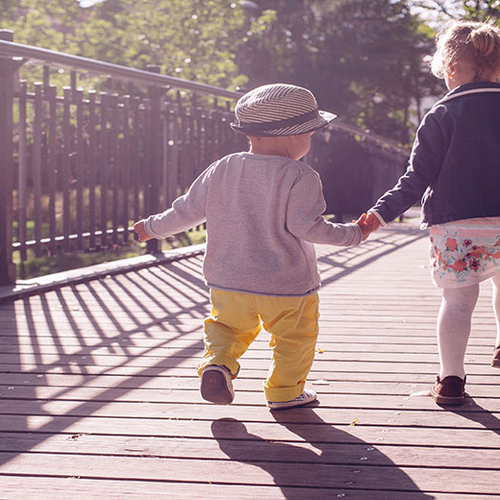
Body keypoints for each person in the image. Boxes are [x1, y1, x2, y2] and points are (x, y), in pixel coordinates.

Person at [134, 83, 370, 410]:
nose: (311, 141)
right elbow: (307, 227)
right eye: (311, 134)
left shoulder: (223, 168)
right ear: (294, 136)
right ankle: (285, 392)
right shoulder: (301, 175)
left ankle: (218, 364)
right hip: (287, 285)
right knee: (294, 339)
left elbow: (186, 211)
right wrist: (353, 233)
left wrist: (151, 227)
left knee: (227, 328)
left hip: (228, 279)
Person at [365, 20, 500, 405]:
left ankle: (452, 379)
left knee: (458, 302)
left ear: (452, 68)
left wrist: (378, 215)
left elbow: (416, 178)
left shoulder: (442, 114)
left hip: (457, 226)